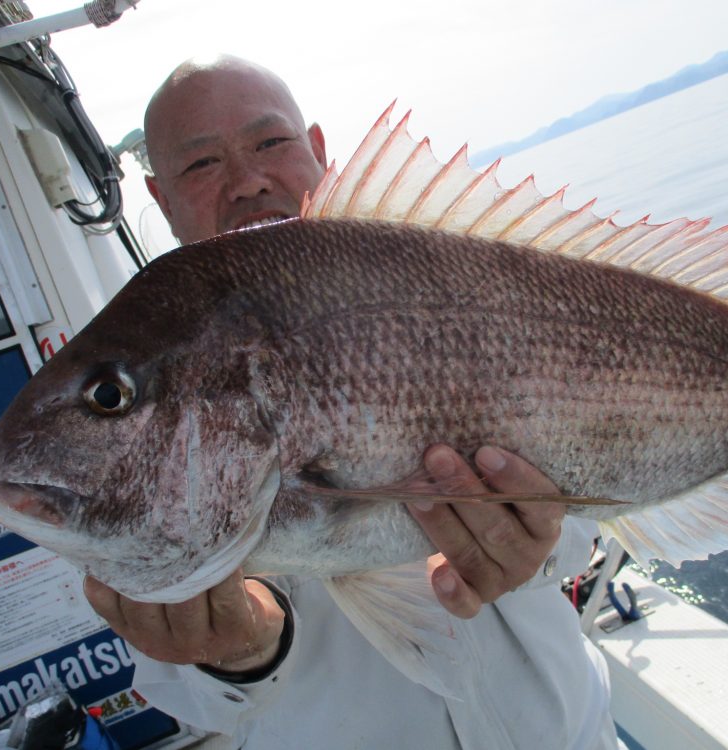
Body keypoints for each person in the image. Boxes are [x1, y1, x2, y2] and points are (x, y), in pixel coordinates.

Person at [84, 55, 621, 749]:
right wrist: (241, 652)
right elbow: (189, 696)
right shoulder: (136, 389)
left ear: (316, 150)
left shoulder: (451, 277)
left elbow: (597, 480)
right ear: (159, 198)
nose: (248, 181)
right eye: (201, 165)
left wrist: (542, 544)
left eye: (269, 144)